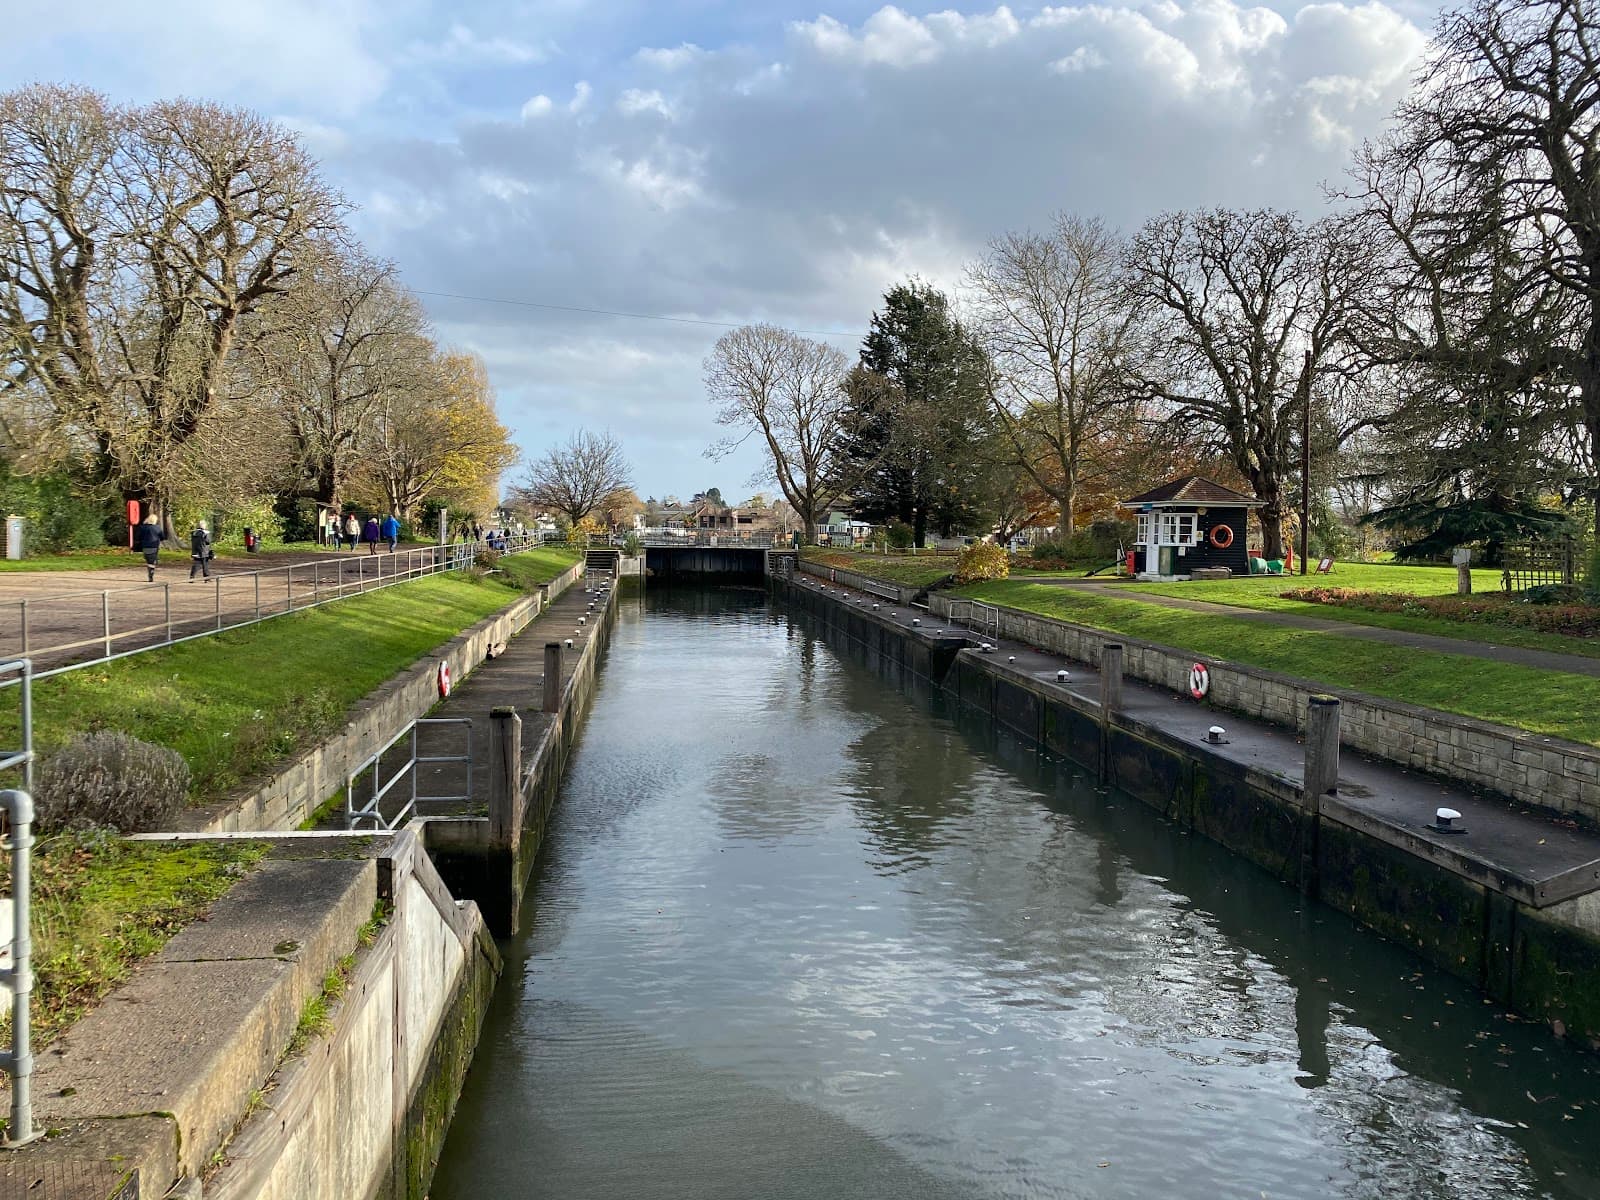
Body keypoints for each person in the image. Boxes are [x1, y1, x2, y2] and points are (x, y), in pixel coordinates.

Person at [135, 515, 162, 582]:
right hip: (154, 546)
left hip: (145, 546)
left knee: (149, 560)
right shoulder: (157, 528)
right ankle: (151, 574)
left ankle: (150, 572)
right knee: (152, 561)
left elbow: (138, 537)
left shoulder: (142, 527)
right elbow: (162, 537)